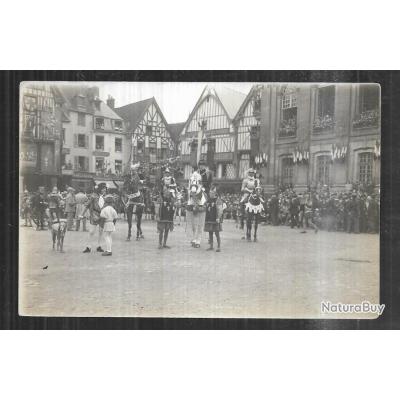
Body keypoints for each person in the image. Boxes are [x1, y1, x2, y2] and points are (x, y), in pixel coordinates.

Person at [81, 183, 107, 253]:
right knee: (91, 231)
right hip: (95, 215)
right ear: (99, 189)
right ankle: (88, 247)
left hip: (103, 215)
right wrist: (82, 214)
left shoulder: (105, 197)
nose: (104, 189)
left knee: (101, 231)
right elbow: (87, 205)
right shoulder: (93, 196)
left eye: (105, 188)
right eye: (103, 188)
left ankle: (99, 246)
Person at [204, 186, 223, 252]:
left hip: (215, 219)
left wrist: (218, 218)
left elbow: (220, 210)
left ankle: (218, 246)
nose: (210, 194)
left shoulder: (218, 200)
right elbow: (206, 207)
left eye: (211, 193)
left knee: (217, 233)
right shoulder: (208, 200)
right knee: (210, 232)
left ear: (214, 193)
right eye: (209, 193)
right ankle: (211, 246)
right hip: (209, 218)